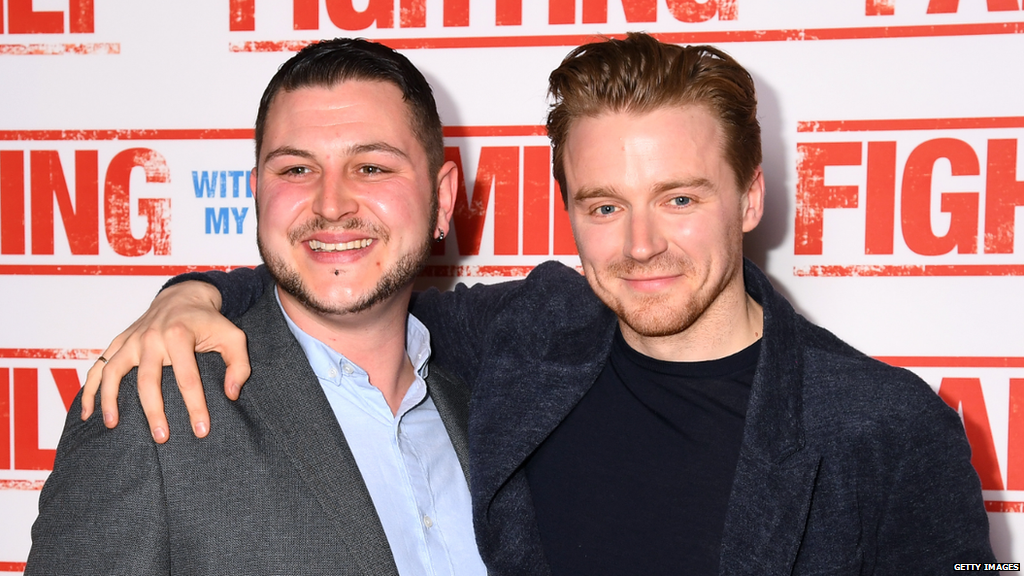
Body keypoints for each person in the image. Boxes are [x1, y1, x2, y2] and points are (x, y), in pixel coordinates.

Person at [81, 33, 996, 574]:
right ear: (570, 212)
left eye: (680, 198)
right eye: (605, 206)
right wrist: (189, 294)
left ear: (751, 198)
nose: (641, 244)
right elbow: (347, 275)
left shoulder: (891, 428)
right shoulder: (529, 339)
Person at [27, 38, 487, 576]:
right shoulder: (148, 411)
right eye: (295, 170)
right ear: (257, 195)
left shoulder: (491, 413)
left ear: (444, 199)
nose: (331, 204)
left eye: (372, 168)